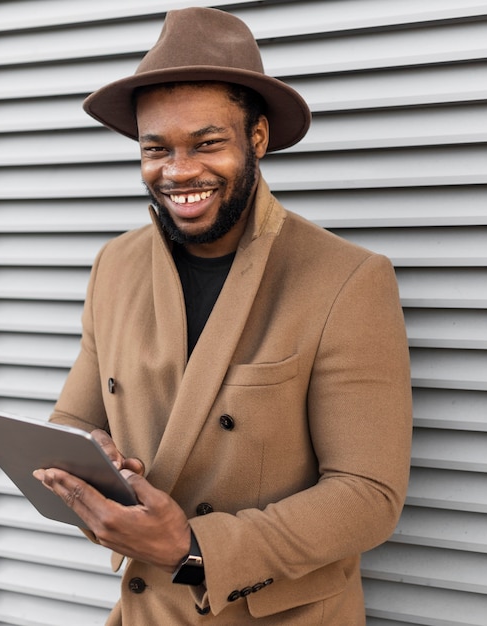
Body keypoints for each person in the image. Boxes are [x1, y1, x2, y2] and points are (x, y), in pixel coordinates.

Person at [33, 7, 412, 625]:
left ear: (257, 138)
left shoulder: (346, 279)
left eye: (206, 143)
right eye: (157, 149)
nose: (178, 171)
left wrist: (191, 546)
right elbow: (76, 416)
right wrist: (89, 461)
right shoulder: (115, 265)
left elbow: (368, 496)